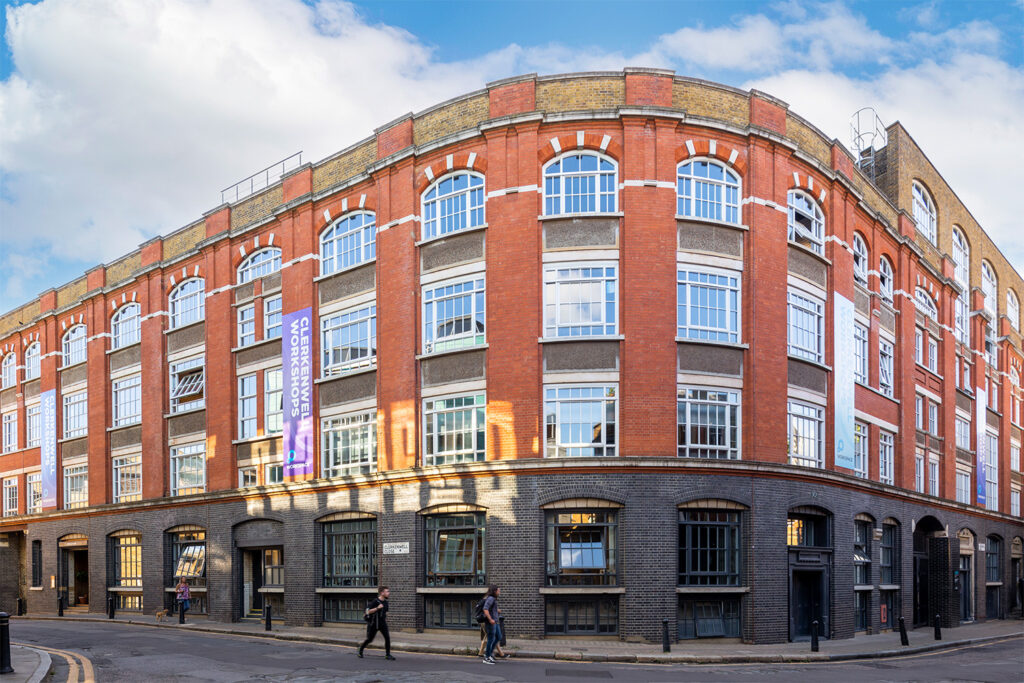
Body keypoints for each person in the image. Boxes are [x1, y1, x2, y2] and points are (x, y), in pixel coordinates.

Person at [358, 586, 395, 660]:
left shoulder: (386, 602)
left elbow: (385, 612)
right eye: (387, 591)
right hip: (374, 624)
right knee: (370, 639)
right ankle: (360, 650)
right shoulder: (375, 601)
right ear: (382, 593)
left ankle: (388, 655)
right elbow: (367, 611)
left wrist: (386, 619)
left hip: (382, 623)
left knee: (387, 638)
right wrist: (377, 608)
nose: (389, 593)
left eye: (388, 591)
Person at [480, 585, 502, 664]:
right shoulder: (490, 598)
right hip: (491, 622)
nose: (499, 592)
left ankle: (489, 654)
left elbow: (490, 609)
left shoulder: (493, 599)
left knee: (498, 637)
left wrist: (497, 611)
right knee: (491, 639)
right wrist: (490, 619)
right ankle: (486, 657)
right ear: (494, 591)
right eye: (498, 591)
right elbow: (485, 609)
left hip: (495, 622)